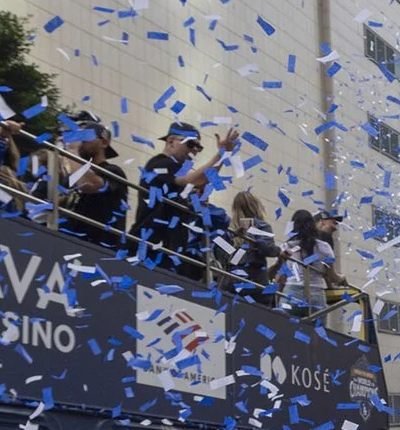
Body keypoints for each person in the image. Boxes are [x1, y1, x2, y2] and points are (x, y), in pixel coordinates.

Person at [135, 121, 238, 279]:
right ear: (170, 141)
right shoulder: (160, 163)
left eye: (199, 147)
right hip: (150, 247)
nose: (195, 150)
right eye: (191, 144)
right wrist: (221, 153)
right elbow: (195, 180)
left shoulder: (177, 173)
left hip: (171, 250)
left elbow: (202, 182)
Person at [58, 115, 130, 247]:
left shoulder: (113, 171)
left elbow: (88, 184)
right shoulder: (74, 173)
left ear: (104, 143)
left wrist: (72, 150)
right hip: (73, 239)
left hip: (101, 245)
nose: (82, 141)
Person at [282, 208, 349, 313]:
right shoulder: (324, 245)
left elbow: (282, 275)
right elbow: (330, 274)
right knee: (316, 328)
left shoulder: (286, 246)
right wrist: (339, 279)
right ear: (321, 222)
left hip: (291, 293)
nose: (335, 227)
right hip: (315, 294)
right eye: (333, 223)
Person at [218, 188, 279, 298]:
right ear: (255, 206)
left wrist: (234, 236)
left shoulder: (229, 229)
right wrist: (279, 251)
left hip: (232, 281)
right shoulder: (261, 226)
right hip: (256, 281)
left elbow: (220, 253)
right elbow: (268, 250)